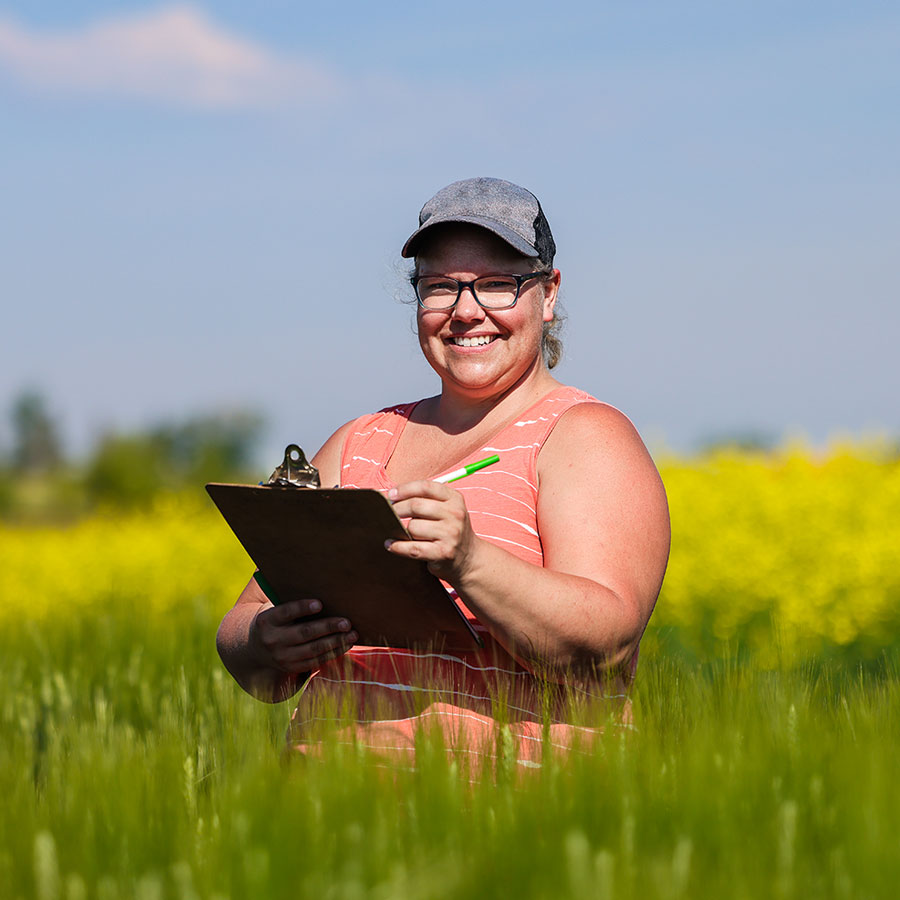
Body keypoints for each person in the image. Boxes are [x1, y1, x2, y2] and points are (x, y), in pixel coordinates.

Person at [216, 177, 670, 770]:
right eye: (440, 288)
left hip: (515, 832)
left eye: (496, 285)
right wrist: (266, 642)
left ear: (549, 294)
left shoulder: (583, 434)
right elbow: (247, 638)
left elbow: (603, 645)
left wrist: (471, 561)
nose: (464, 311)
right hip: (329, 823)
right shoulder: (358, 442)